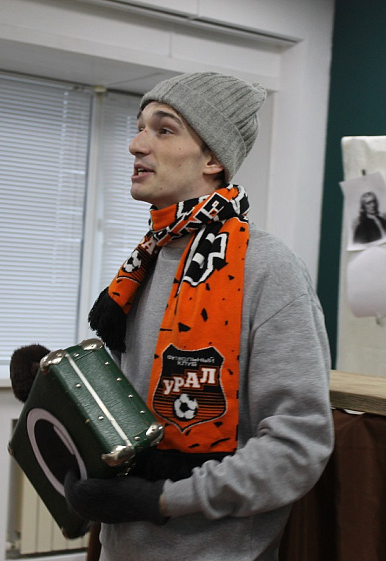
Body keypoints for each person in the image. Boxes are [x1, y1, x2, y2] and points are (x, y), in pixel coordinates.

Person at [66, 72, 334, 561]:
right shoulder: (145, 263)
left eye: (163, 130)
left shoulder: (267, 268)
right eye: (140, 127)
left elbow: (298, 447)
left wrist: (163, 499)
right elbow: (129, 419)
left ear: (213, 160)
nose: (136, 144)